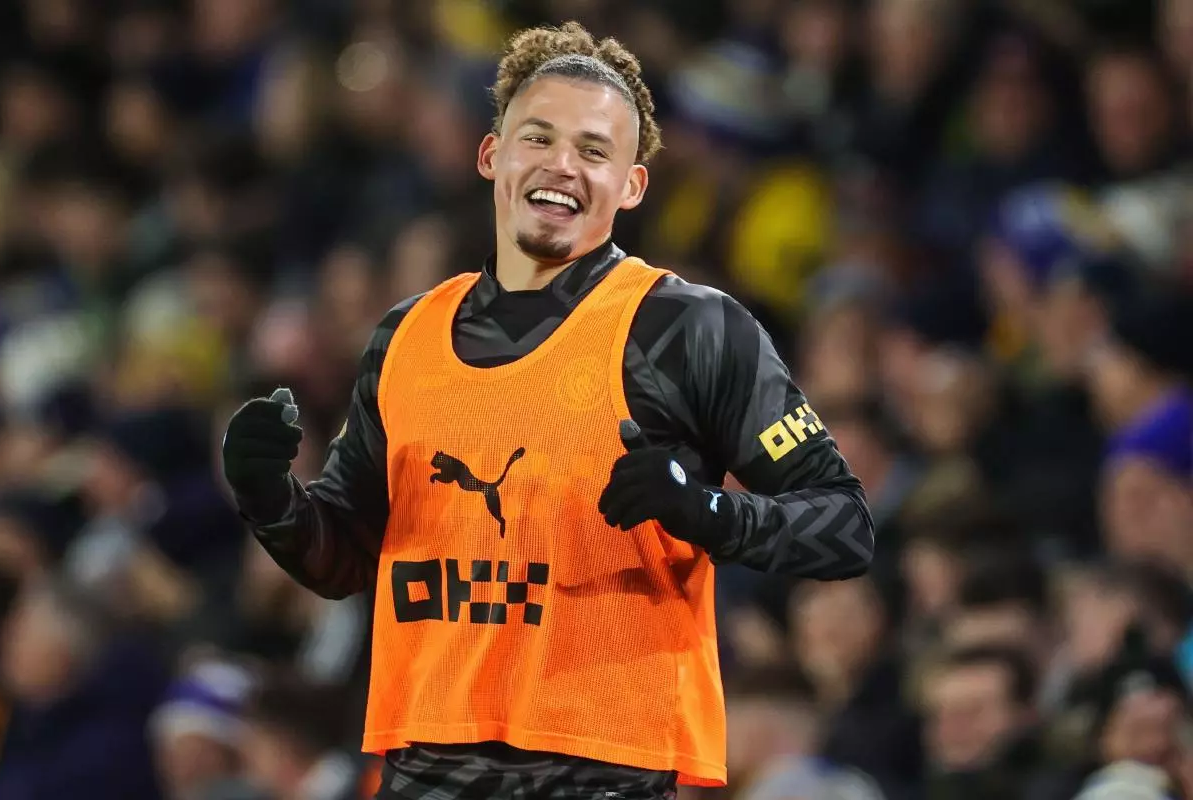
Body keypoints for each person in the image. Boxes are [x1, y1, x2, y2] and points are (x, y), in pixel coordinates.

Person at [220, 21, 874, 800]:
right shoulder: (405, 336)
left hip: (605, 774)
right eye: (540, 137)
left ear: (632, 185)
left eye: (595, 150)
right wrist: (272, 500)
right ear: (492, 154)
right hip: (426, 771)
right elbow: (346, 557)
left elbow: (845, 526)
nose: (563, 165)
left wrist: (706, 513)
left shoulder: (689, 329)